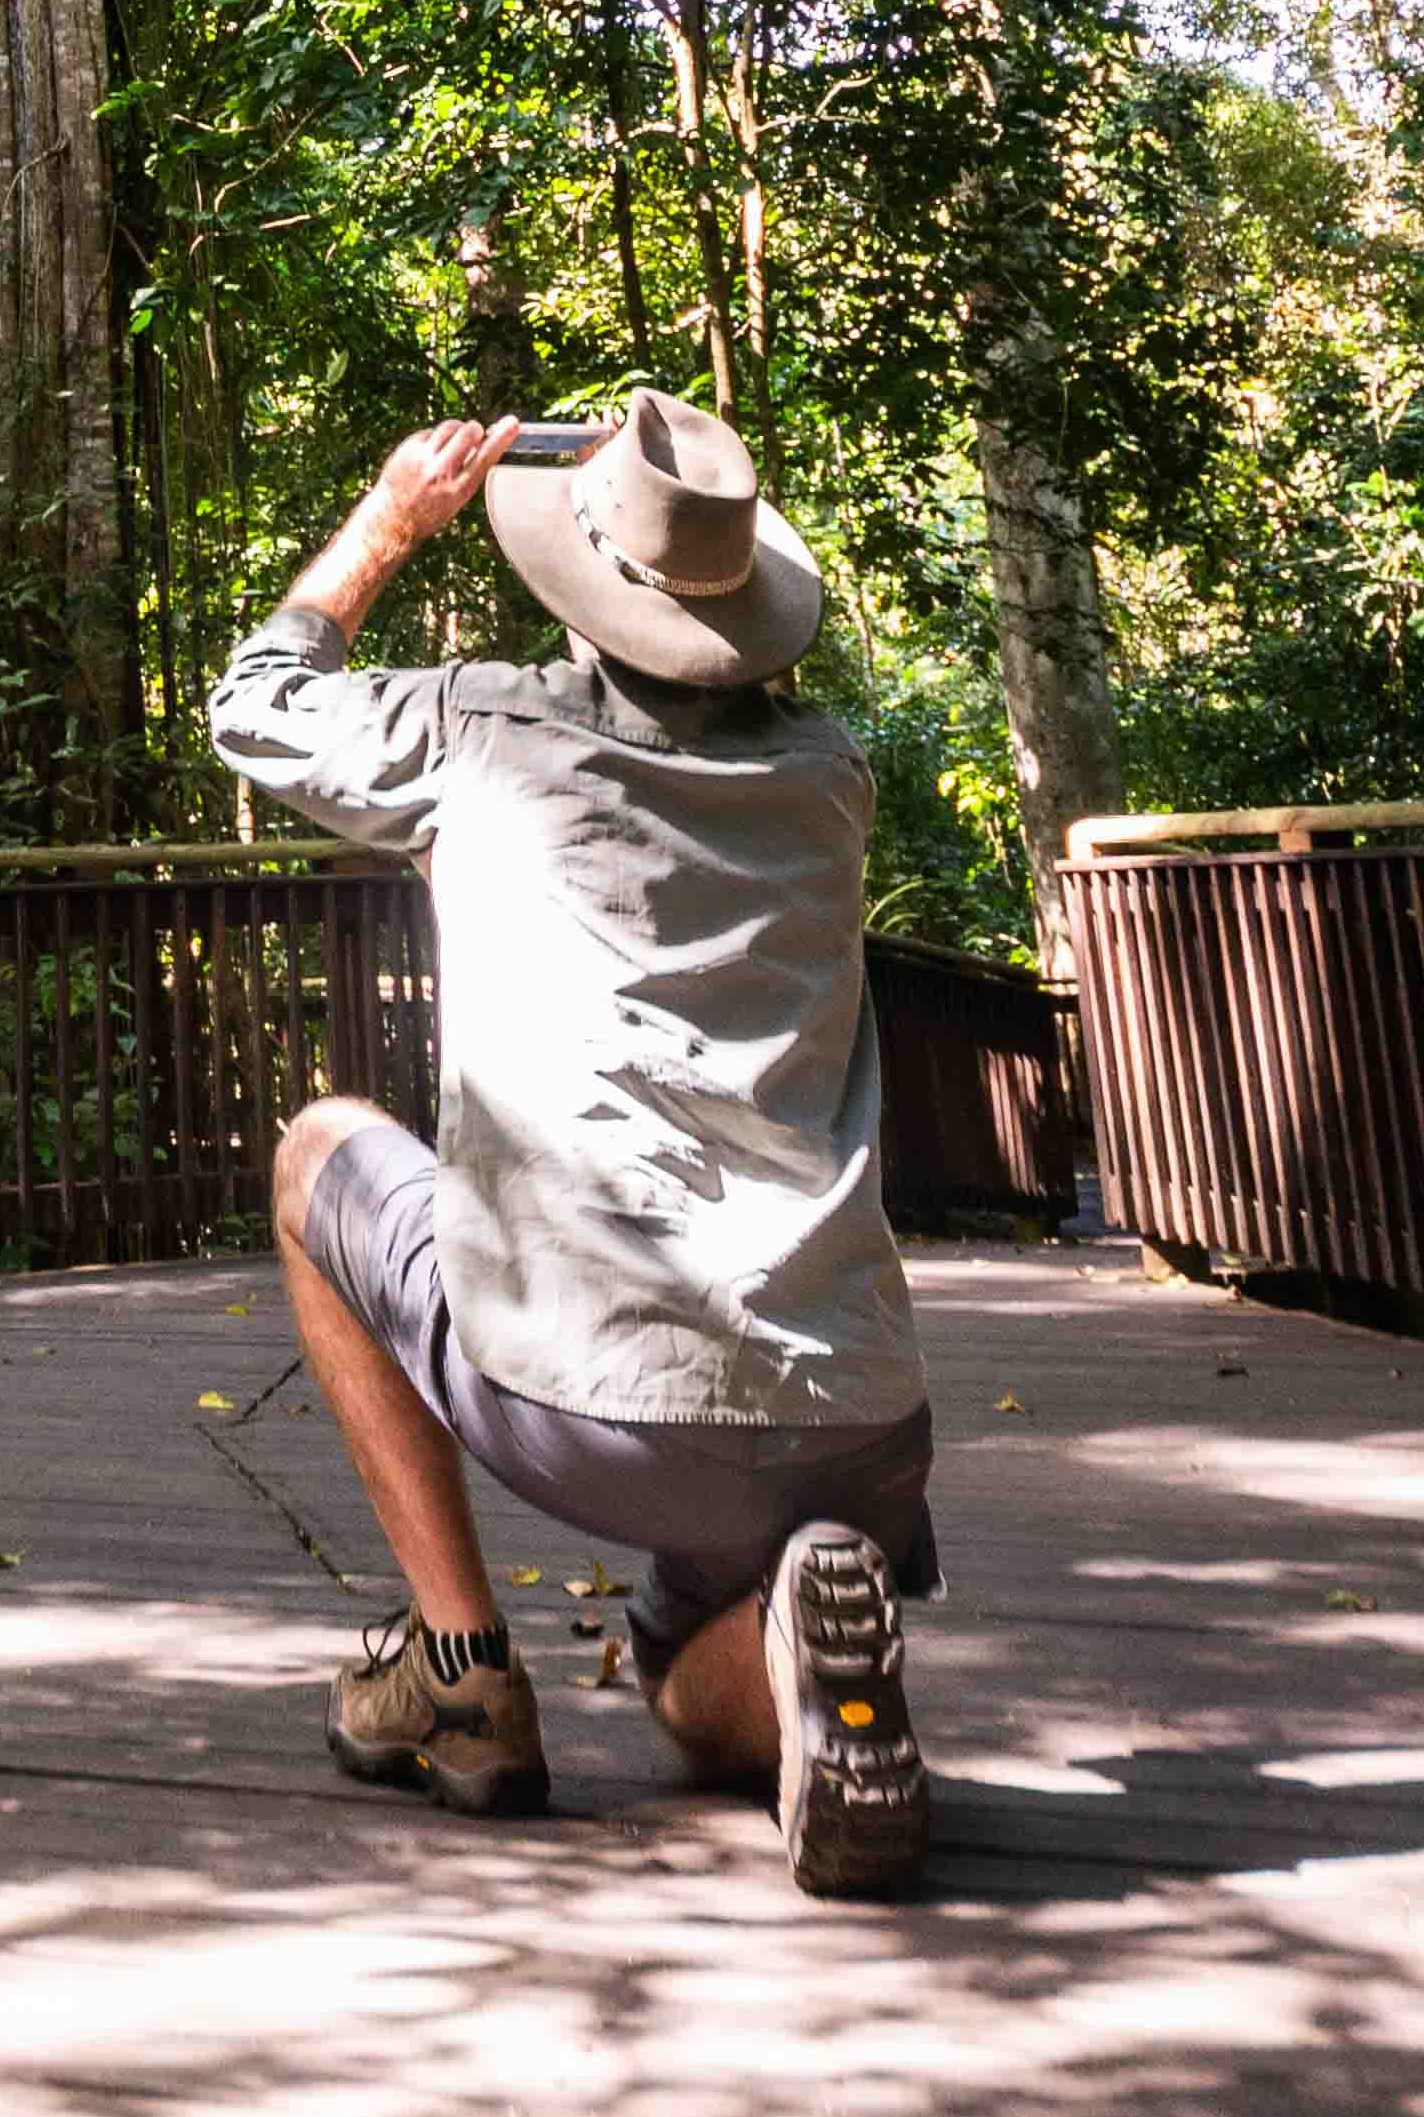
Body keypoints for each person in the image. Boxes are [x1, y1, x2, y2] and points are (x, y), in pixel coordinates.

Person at [212, 394, 939, 1900]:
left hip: (590, 1403)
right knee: (684, 1683)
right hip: (854, 1420)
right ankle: (798, 1657)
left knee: (315, 1153)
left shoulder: (484, 728)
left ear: (574, 581)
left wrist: (387, 525)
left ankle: (463, 1669)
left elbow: (256, 700)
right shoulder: (828, 776)